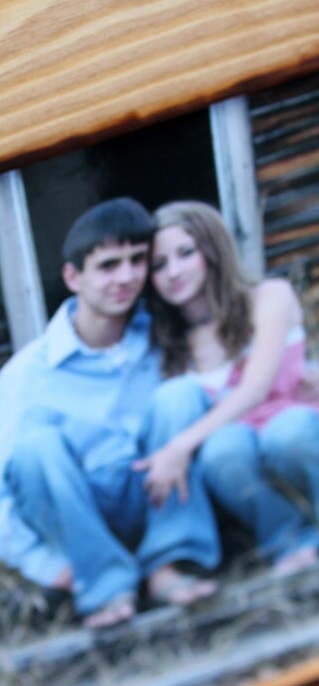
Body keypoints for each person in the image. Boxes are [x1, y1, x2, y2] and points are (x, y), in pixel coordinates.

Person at [0, 198, 220, 629]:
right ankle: (105, 585)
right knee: (34, 446)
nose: (127, 277)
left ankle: (166, 567)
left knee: (180, 396)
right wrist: (45, 564)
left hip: (155, 502)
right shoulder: (29, 373)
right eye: (108, 265)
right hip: (79, 528)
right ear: (72, 276)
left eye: (138, 261)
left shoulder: (163, 338)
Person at [137, 200, 319, 575]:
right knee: (221, 451)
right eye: (159, 265)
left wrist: (179, 446)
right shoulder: (169, 342)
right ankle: (288, 542)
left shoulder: (269, 297)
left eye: (185, 253)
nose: (173, 272)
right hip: (238, 447)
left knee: (287, 434)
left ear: (212, 249)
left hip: (294, 423)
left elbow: (255, 389)